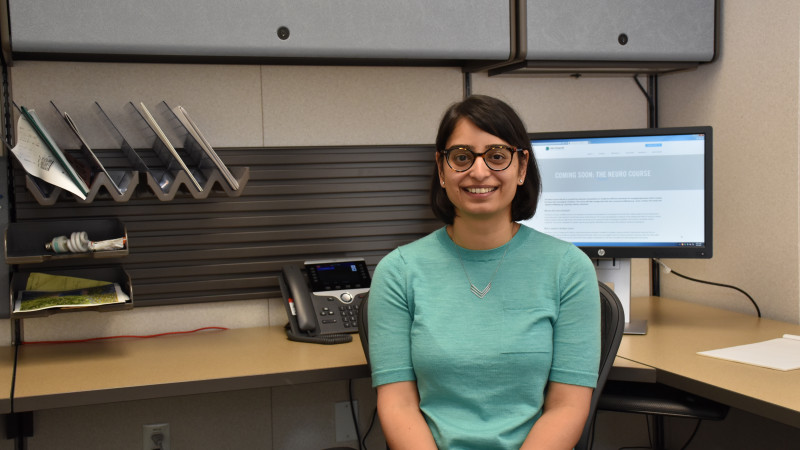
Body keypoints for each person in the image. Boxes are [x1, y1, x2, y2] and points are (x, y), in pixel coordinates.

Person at [367, 95, 601, 449]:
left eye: (497, 156)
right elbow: (398, 404)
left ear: (521, 167)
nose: (479, 172)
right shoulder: (398, 272)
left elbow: (567, 407)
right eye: (461, 157)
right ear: (442, 169)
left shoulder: (568, 269)